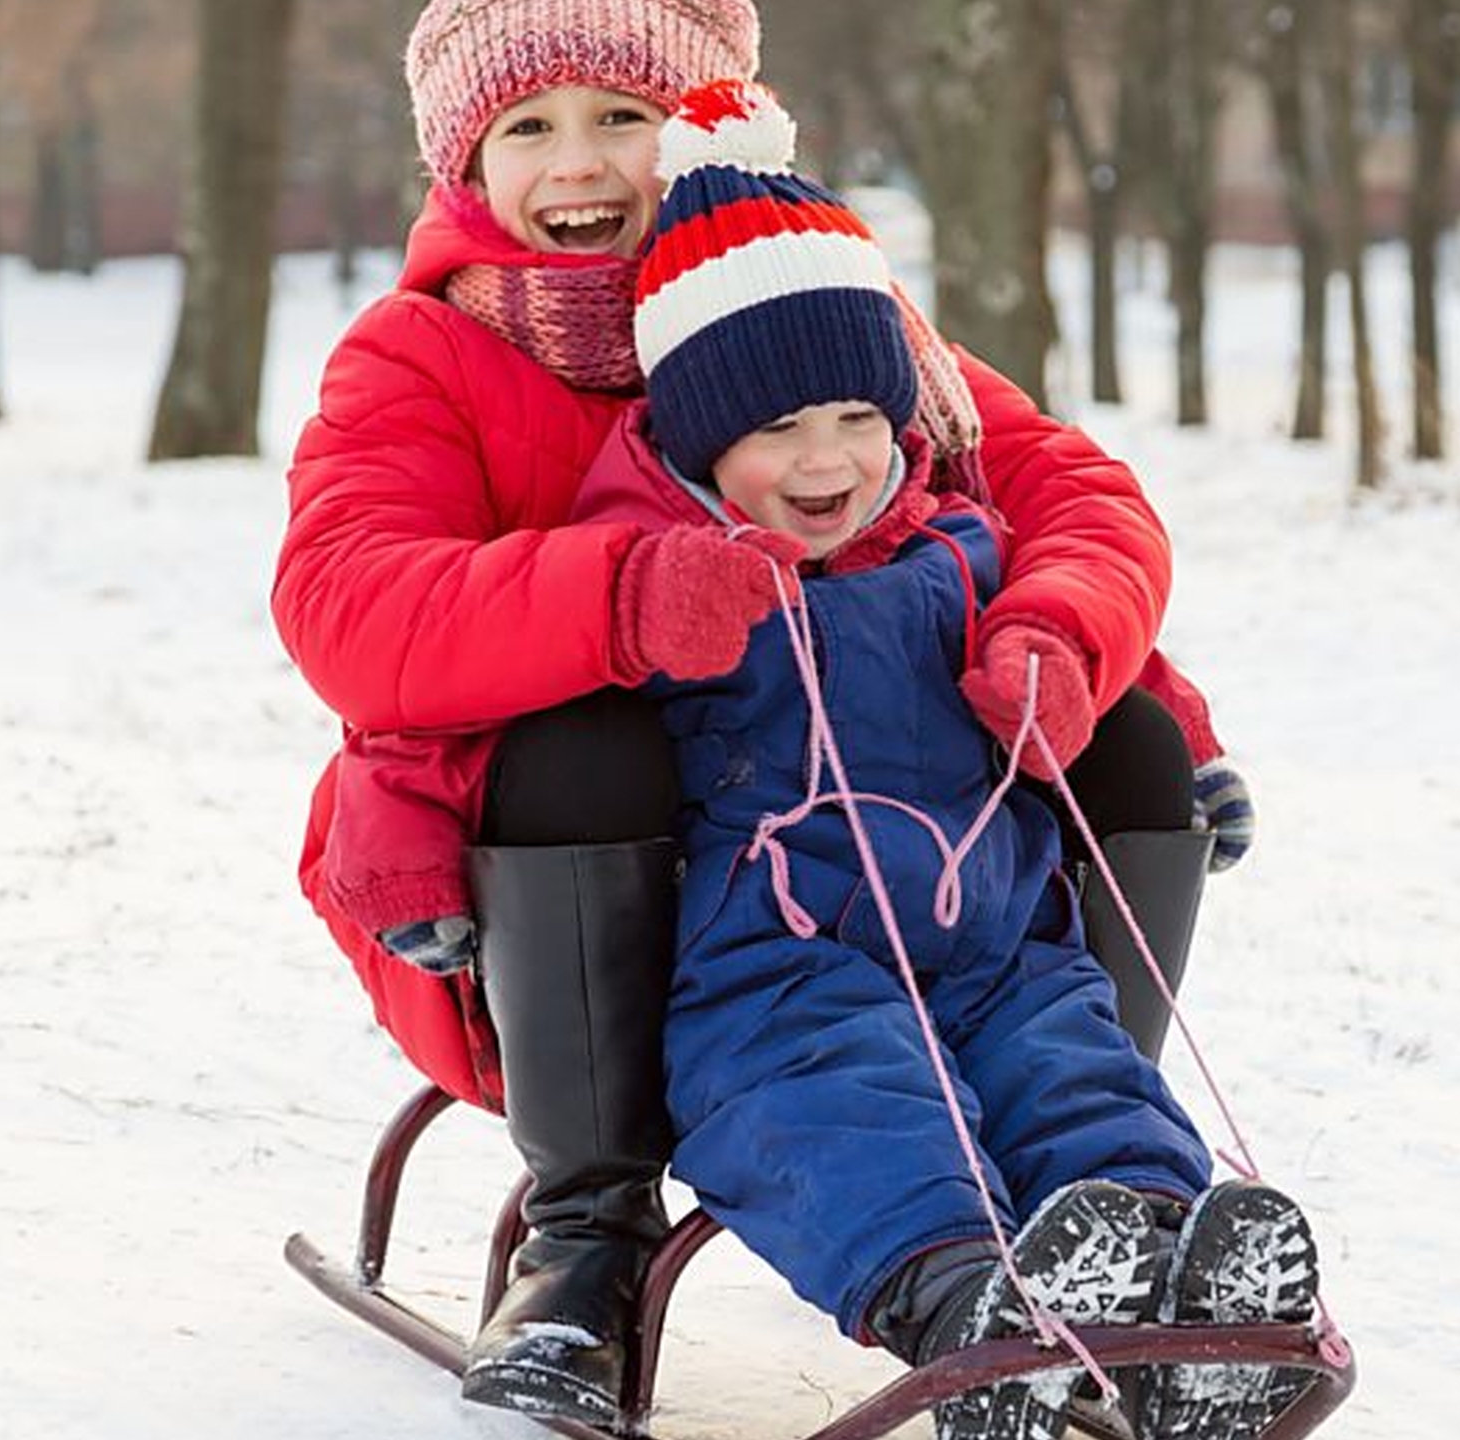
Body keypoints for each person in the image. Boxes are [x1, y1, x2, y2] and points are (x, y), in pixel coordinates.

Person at [273, 0, 1257, 1427]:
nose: (581, 166)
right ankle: (586, 1230)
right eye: (528, 128)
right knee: (584, 740)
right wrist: (617, 595)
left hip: (895, 863)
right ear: (463, 165)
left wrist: (1064, 633)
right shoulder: (419, 355)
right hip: (554, 888)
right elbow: (348, 604)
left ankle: (1087, 1203)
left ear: (706, 124)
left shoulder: (817, 311)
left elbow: (1068, 499)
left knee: (1123, 733)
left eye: (625, 115)